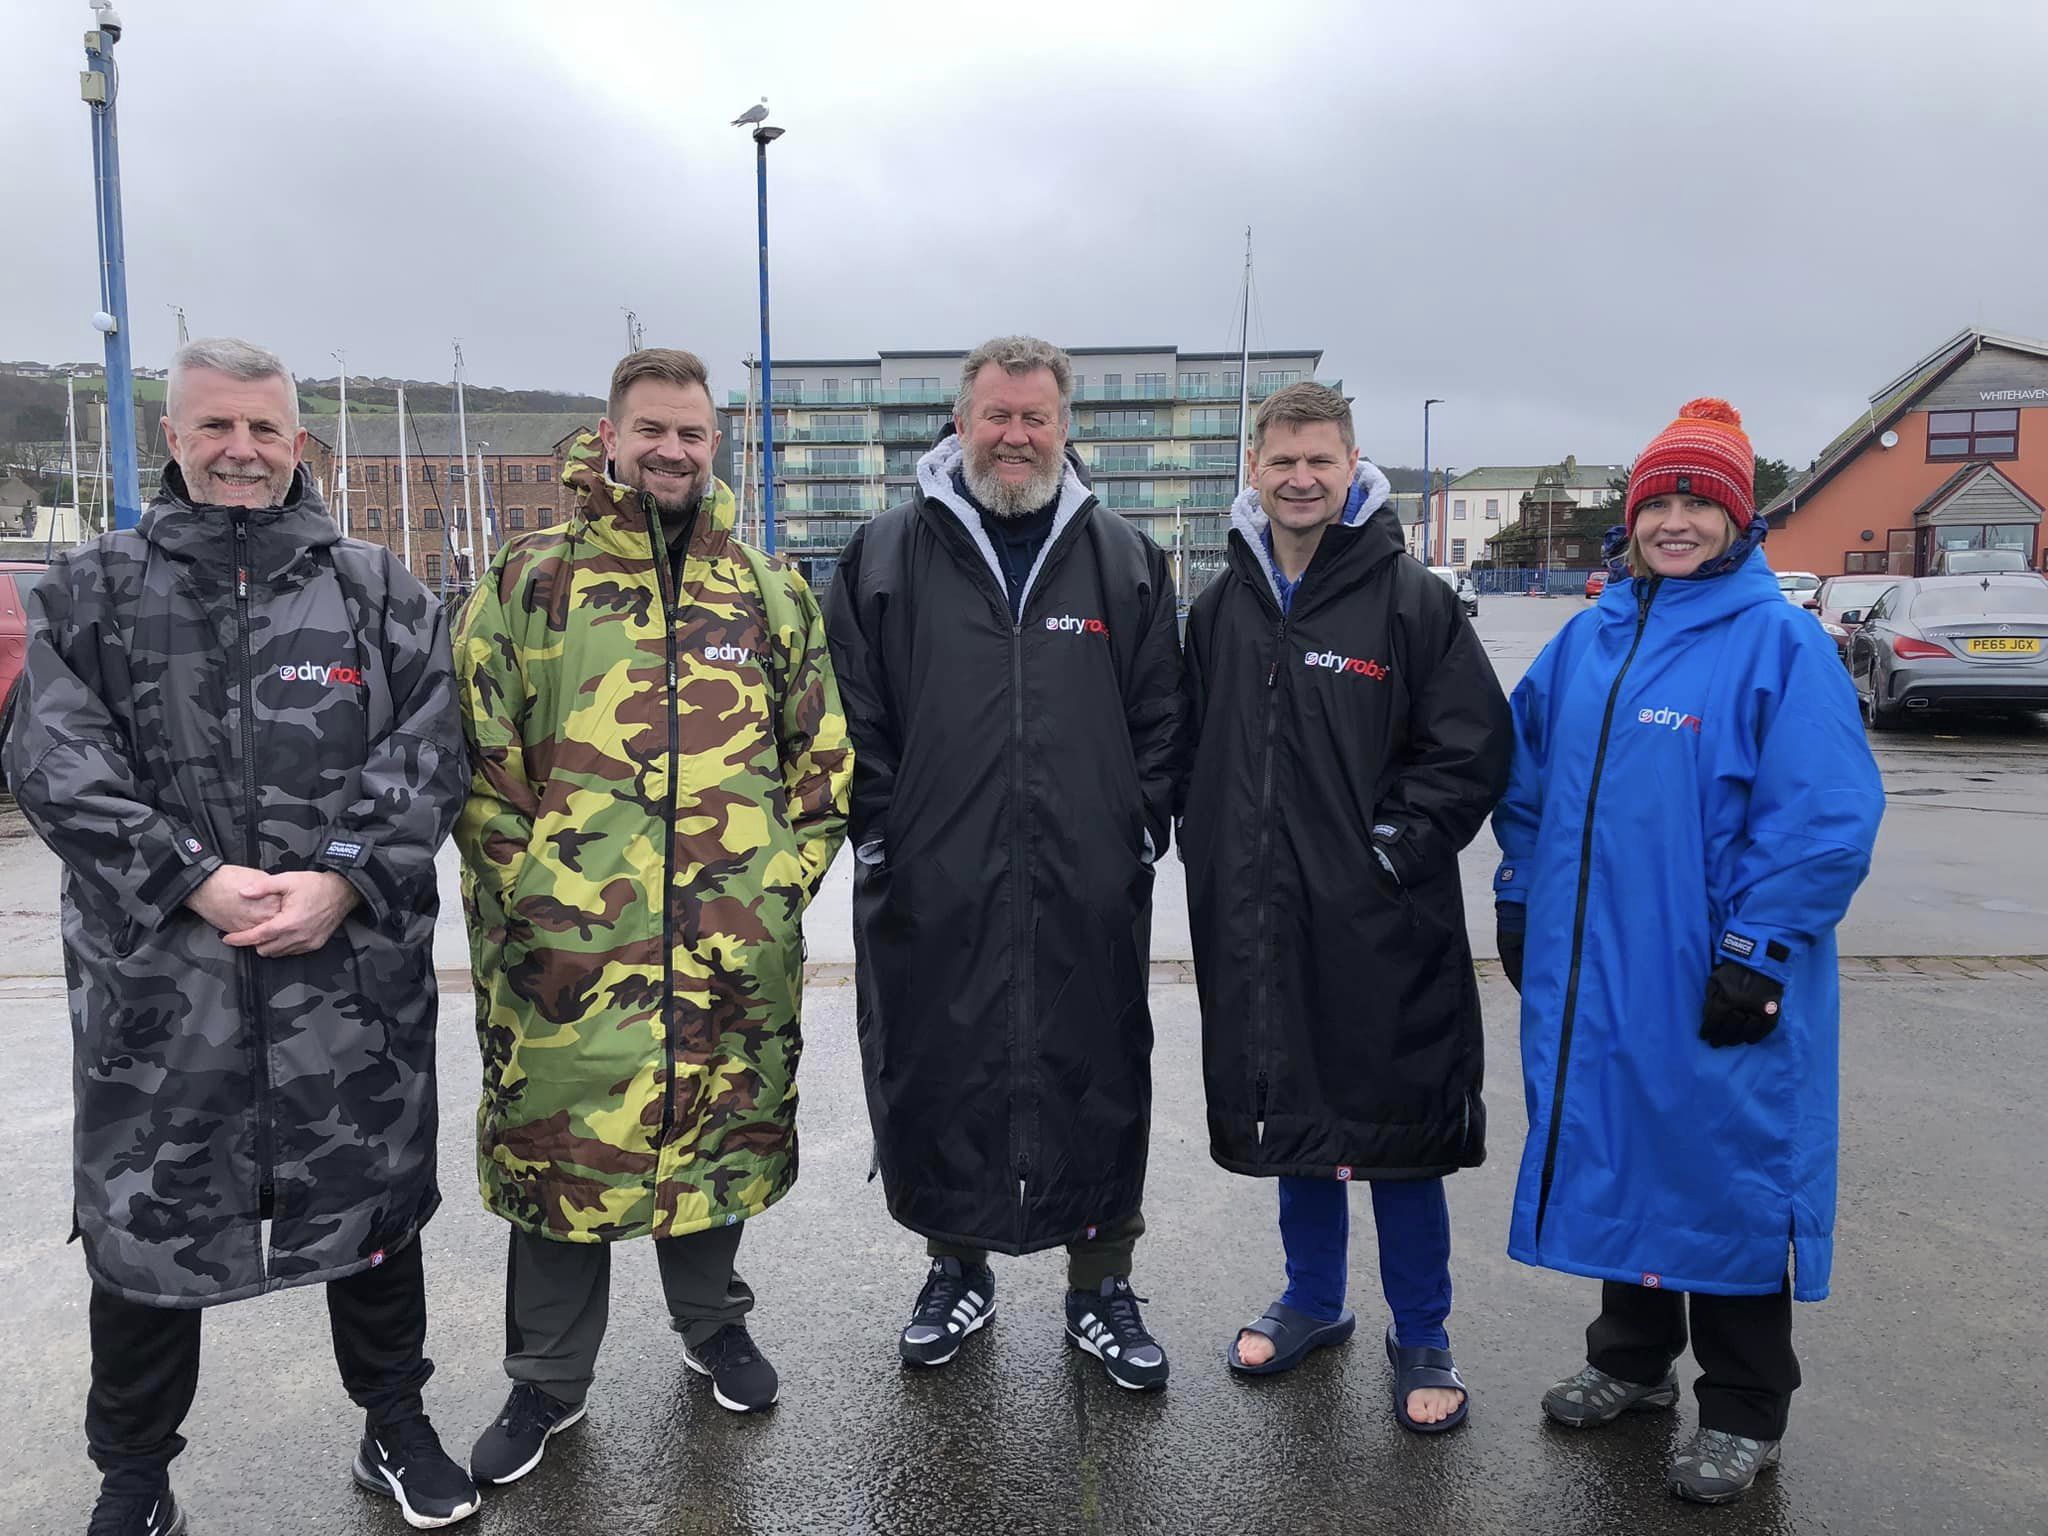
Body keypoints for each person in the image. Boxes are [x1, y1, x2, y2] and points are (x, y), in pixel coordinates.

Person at [5, 338, 477, 1534]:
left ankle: (395, 1422)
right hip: (164, 989)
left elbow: (431, 750)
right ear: (172, 437)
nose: (241, 451)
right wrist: (192, 880)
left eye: (264, 430)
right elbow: (55, 762)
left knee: (368, 1211)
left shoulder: (377, 589)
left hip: (346, 979)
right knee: (146, 1230)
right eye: (216, 427)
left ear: (298, 444)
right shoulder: (89, 591)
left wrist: (343, 879)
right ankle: (135, 1474)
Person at [455, 348, 850, 1481]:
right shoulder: (532, 583)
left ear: (712, 444)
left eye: (692, 434)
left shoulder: (764, 591)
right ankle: (545, 1386)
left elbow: (820, 757)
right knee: (559, 1159)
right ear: (610, 434)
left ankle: (713, 1326)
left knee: (711, 1138)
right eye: (652, 431)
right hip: (567, 955)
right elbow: (478, 764)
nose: (672, 451)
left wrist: (777, 882)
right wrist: (529, 896)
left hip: (731, 948)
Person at [1493, 399, 1884, 1504]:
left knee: (1724, 1175)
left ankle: (1744, 1408)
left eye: (1696, 503)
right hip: (1597, 971)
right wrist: (1517, 886)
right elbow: (1517, 778)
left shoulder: (1778, 645)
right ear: (1630, 519)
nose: (1673, 521)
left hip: (1715, 966)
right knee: (1623, 1148)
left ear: (1736, 521)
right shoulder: (1590, 636)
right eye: (1655, 501)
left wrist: (1757, 948)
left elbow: (1820, 816)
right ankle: (1631, 1362)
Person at [825, 336, 1183, 1390]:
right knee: (942, 1070)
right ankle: (954, 1268)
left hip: (1085, 880)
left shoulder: (1123, 557)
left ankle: (1100, 1282)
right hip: (935, 879)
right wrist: (885, 835)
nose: (1015, 436)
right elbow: (855, 716)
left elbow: (1161, 715)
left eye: (1035, 418)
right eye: (997, 416)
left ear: (1065, 428)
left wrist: (1133, 830)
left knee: (1097, 1069)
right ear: (962, 421)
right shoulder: (885, 553)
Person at [1179, 383, 1509, 1429]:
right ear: (1253, 468)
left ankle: (1423, 1332)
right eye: (1281, 461)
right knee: (1296, 1113)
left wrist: (1392, 849)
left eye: (1319, 460)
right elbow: (1185, 746)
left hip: (1380, 917)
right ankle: (1312, 1302)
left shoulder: (1409, 600)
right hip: (1259, 918)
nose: (1299, 479)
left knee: (1397, 1131)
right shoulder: (1217, 605)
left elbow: (1468, 749)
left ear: (1351, 462)